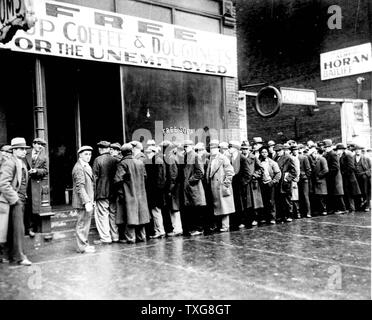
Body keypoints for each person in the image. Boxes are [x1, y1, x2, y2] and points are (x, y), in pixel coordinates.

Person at [0, 137, 32, 266]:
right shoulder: (10, 163)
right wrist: (16, 200)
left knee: (15, 229)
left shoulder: (20, 162)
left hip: (19, 199)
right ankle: (20, 256)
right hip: (12, 201)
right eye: (21, 149)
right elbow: (3, 184)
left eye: (25, 149)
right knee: (18, 229)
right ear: (14, 150)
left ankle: (13, 255)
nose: (24, 151)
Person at [114, 143, 150, 244]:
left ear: (122, 153)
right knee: (141, 216)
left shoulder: (123, 163)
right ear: (131, 151)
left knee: (129, 217)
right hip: (141, 194)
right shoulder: (139, 163)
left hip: (128, 194)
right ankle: (142, 237)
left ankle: (131, 238)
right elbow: (145, 177)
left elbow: (117, 180)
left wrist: (121, 193)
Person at [92, 141, 119, 245]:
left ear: (100, 149)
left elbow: (94, 178)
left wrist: (93, 195)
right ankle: (115, 236)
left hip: (102, 192)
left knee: (103, 215)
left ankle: (106, 238)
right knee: (113, 214)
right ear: (108, 148)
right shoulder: (115, 160)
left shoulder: (97, 160)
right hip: (113, 192)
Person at [206, 140, 235, 232]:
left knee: (224, 207)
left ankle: (225, 226)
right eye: (210, 148)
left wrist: (226, 185)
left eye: (213, 148)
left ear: (217, 149)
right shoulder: (211, 159)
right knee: (217, 206)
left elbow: (230, 172)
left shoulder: (223, 158)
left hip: (221, 186)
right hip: (213, 186)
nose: (211, 150)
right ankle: (218, 225)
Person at [72, 146, 96, 253]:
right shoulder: (79, 168)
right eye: (86, 154)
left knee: (85, 224)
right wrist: (86, 201)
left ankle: (84, 244)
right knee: (82, 224)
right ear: (80, 155)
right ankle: (82, 246)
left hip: (87, 200)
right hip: (83, 201)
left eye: (90, 154)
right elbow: (80, 187)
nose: (88, 156)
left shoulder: (86, 166)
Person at [181, 140, 206, 236]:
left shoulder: (196, 156)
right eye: (184, 146)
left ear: (191, 146)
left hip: (194, 187)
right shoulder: (186, 156)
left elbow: (200, 172)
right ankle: (194, 228)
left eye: (186, 146)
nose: (185, 148)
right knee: (192, 209)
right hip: (189, 188)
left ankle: (199, 229)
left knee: (196, 208)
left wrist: (190, 180)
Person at [24, 137, 48, 237]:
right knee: (25, 206)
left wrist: (36, 171)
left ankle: (32, 228)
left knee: (34, 206)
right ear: (33, 144)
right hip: (24, 182)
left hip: (35, 184)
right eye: (39, 144)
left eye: (42, 145)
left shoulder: (44, 156)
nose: (40, 147)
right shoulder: (25, 152)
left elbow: (46, 171)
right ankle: (26, 228)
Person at [144, 145, 167, 239]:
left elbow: (160, 178)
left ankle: (160, 230)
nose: (147, 154)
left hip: (156, 191)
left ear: (153, 152)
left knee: (156, 211)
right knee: (156, 211)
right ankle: (159, 230)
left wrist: (157, 190)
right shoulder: (156, 160)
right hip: (156, 191)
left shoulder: (157, 161)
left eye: (149, 152)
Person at [227, 140, 249, 229]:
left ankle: (242, 221)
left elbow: (247, 173)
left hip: (240, 185)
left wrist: (243, 183)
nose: (229, 149)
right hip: (233, 184)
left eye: (230, 147)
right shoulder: (230, 157)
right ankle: (236, 221)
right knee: (235, 202)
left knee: (241, 203)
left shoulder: (242, 158)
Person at [163, 142, 183, 237]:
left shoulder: (170, 158)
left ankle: (177, 228)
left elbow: (173, 175)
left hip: (174, 187)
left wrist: (170, 189)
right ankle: (177, 228)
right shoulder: (176, 157)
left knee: (174, 208)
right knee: (175, 207)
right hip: (177, 186)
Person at [242, 142, 264, 226]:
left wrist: (255, 175)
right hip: (244, 182)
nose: (245, 150)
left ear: (249, 149)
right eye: (243, 149)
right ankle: (247, 219)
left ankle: (255, 218)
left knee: (254, 201)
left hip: (252, 182)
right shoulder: (240, 158)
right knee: (246, 202)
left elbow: (260, 168)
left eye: (246, 149)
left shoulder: (253, 157)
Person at [323, 139, 347, 214]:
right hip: (333, 177)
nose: (325, 148)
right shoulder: (328, 154)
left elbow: (335, 167)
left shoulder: (333, 154)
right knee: (334, 194)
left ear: (329, 147)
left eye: (326, 147)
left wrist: (329, 175)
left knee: (338, 194)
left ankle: (342, 209)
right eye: (325, 147)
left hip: (335, 177)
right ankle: (336, 209)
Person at [259, 146, 281, 224]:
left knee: (271, 201)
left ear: (268, 153)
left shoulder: (272, 162)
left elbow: (278, 173)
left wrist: (273, 181)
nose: (264, 154)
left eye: (265, 152)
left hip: (270, 183)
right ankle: (265, 217)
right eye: (262, 152)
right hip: (262, 184)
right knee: (263, 201)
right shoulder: (259, 162)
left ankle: (272, 217)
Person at [336, 143, 361, 213]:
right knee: (347, 193)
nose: (337, 151)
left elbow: (351, 167)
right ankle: (350, 208)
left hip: (349, 178)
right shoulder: (341, 156)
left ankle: (351, 208)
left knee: (350, 193)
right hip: (345, 178)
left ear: (342, 150)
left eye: (338, 150)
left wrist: (344, 173)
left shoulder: (347, 156)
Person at [275, 143, 297, 223]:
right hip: (278, 182)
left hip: (285, 183)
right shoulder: (275, 158)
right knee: (280, 200)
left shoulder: (288, 158)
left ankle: (289, 215)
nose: (278, 152)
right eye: (276, 151)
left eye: (279, 150)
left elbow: (294, 172)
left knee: (287, 200)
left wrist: (287, 178)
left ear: (283, 150)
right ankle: (282, 216)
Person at [311, 148, 329, 215]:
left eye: (315, 153)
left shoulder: (322, 159)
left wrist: (319, 175)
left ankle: (324, 210)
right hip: (318, 181)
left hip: (321, 181)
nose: (314, 155)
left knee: (322, 196)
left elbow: (326, 170)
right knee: (319, 196)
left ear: (318, 153)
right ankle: (321, 210)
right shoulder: (317, 160)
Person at [354, 145, 371, 212]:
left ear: (361, 150)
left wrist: (365, 174)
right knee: (357, 192)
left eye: (359, 149)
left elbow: (370, 169)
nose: (357, 151)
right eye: (356, 149)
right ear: (354, 150)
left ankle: (367, 206)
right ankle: (359, 206)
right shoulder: (352, 158)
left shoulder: (366, 159)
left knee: (365, 191)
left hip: (364, 178)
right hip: (356, 177)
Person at [297, 144, 312, 218]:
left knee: (305, 195)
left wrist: (305, 177)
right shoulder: (294, 158)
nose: (298, 151)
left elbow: (308, 169)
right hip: (297, 179)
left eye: (299, 149)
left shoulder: (304, 157)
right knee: (299, 196)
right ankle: (302, 212)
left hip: (304, 179)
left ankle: (308, 212)